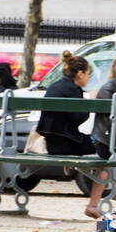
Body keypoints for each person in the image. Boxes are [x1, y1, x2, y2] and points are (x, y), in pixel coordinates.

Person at [36, 51, 106, 218]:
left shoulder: (55, 86)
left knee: (94, 144)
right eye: (88, 74)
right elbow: (77, 119)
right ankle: (95, 203)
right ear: (80, 73)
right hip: (66, 144)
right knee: (105, 152)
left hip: (51, 143)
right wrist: (90, 102)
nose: (88, 79)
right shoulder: (74, 89)